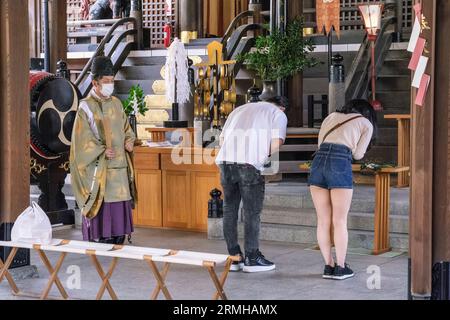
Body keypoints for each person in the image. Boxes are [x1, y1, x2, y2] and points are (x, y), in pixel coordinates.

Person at [215, 96, 288, 273]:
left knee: (229, 209)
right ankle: (252, 257)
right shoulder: (277, 114)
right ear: (282, 107)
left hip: (225, 162)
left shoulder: (238, 110)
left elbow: (222, 139)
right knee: (252, 212)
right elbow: (276, 142)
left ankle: (234, 257)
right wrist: (261, 158)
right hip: (249, 164)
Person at [70, 56, 136, 245]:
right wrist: (101, 150)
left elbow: (126, 130)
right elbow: (80, 140)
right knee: (103, 202)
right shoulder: (85, 107)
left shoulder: (116, 103)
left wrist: (130, 141)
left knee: (119, 201)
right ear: (94, 83)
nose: (110, 85)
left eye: (111, 81)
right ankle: (101, 234)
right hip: (99, 168)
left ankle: (119, 233)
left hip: (119, 165)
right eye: (106, 82)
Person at [308, 99, 377, 280]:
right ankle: (341, 267)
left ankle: (328, 266)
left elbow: (320, 143)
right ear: (367, 112)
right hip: (339, 162)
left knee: (323, 220)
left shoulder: (330, 117)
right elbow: (358, 154)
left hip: (318, 162)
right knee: (339, 221)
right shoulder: (365, 123)